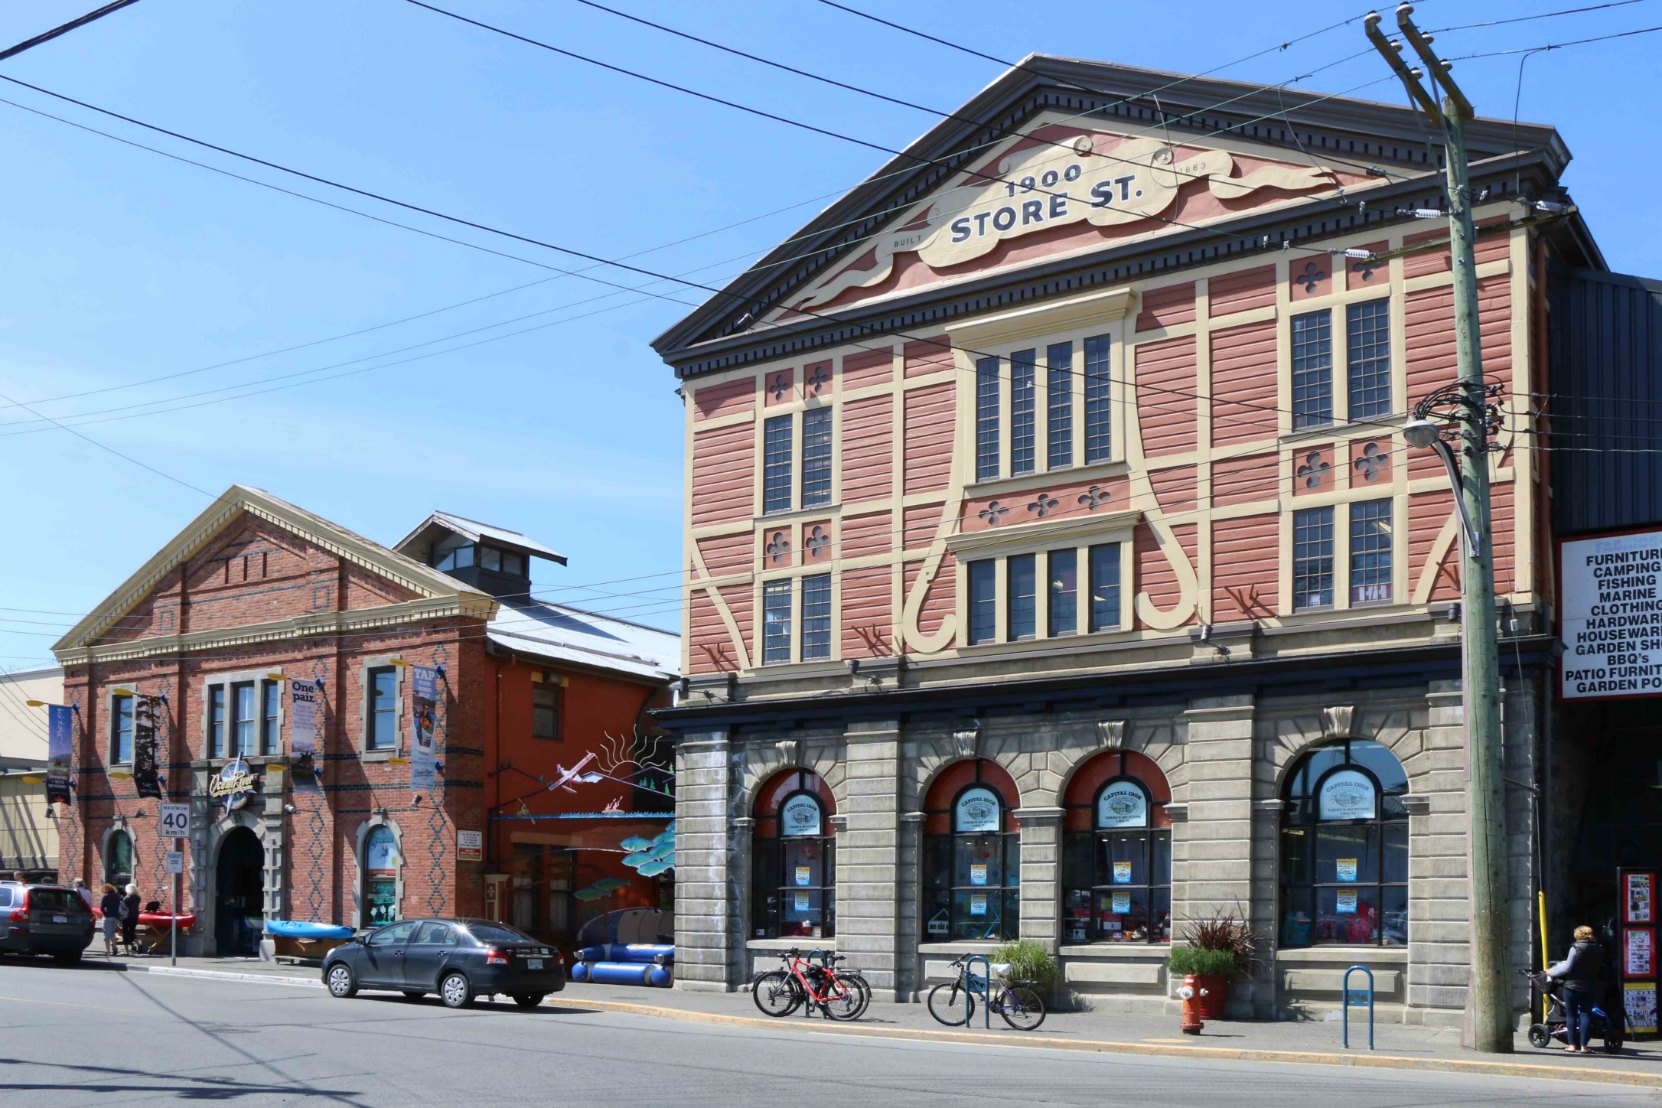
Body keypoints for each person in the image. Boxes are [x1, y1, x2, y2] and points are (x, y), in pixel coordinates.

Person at [1547, 924, 1604, 1053]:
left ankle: (1572, 1045)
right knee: (1586, 1014)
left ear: (1578, 935)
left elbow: (1567, 967)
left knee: (1571, 1015)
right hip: (1590, 986)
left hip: (1572, 986)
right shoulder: (1598, 949)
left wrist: (1550, 972)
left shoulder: (1576, 948)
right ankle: (1584, 1046)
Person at [98, 884, 121, 955]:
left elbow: (102, 908)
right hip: (116, 917)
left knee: (106, 935)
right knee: (112, 933)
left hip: (108, 917)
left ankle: (108, 951)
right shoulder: (117, 896)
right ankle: (114, 947)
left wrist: (105, 914)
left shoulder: (105, 896)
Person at [120, 883, 141, 954]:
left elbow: (123, 908)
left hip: (126, 917)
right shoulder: (138, 898)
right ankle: (138, 944)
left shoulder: (126, 898)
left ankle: (126, 951)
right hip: (135, 916)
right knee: (132, 931)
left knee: (125, 932)